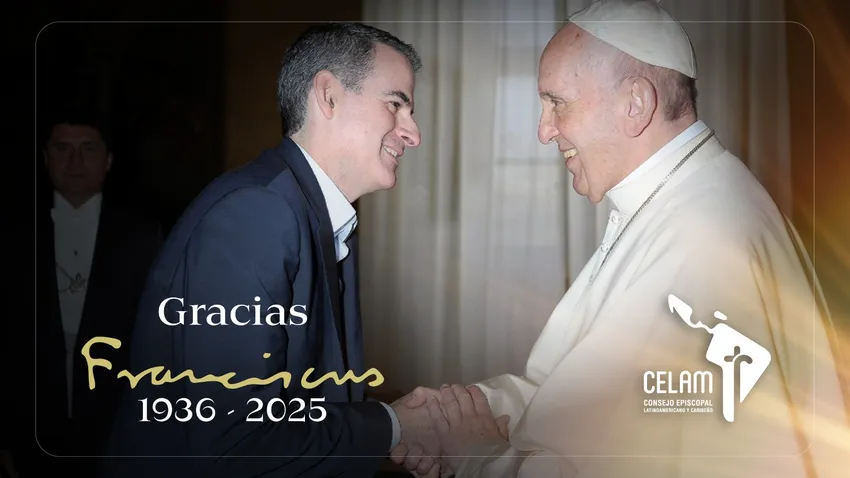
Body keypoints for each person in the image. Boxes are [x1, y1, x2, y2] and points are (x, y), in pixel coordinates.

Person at [393, 1, 850, 477]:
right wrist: (457, 414)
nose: (544, 131)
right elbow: (576, 396)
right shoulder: (684, 197)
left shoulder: (700, 242)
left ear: (635, 104)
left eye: (557, 103)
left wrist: (476, 454)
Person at [97, 23, 449, 478]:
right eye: (395, 105)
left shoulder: (314, 214)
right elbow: (238, 440)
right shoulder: (256, 215)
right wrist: (395, 426)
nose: (413, 133)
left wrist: (395, 426)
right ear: (328, 96)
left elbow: (308, 398)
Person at [33, 111, 163, 477]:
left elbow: (157, 337)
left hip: (117, 426)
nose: (75, 161)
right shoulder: (13, 236)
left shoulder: (142, 235)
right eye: (63, 149)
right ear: (46, 158)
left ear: (107, 161)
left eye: (88, 149)